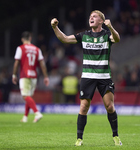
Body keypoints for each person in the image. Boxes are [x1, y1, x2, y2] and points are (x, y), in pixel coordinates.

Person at [51, 10, 122, 146]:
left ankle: (115, 136)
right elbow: (64, 38)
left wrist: (111, 27)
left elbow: (117, 39)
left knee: (110, 106)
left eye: (95, 16)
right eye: (90, 16)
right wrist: (55, 27)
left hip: (104, 77)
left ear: (101, 20)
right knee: (83, 107)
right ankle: (79, 139)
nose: (91, 18)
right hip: (88, 77)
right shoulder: (84, 36)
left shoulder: (107, 35)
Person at [12, 31, 49, 123]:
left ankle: (37, 113)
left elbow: (16, 63)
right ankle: (25, 117)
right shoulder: (37, 49)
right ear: (30, 38)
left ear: (22, 39)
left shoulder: (20, 48)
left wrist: (14, 74)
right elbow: (42, 64)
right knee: (29, 97)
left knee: (25, 96)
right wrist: (45, 77)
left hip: (24, 75)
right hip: (34, 75)